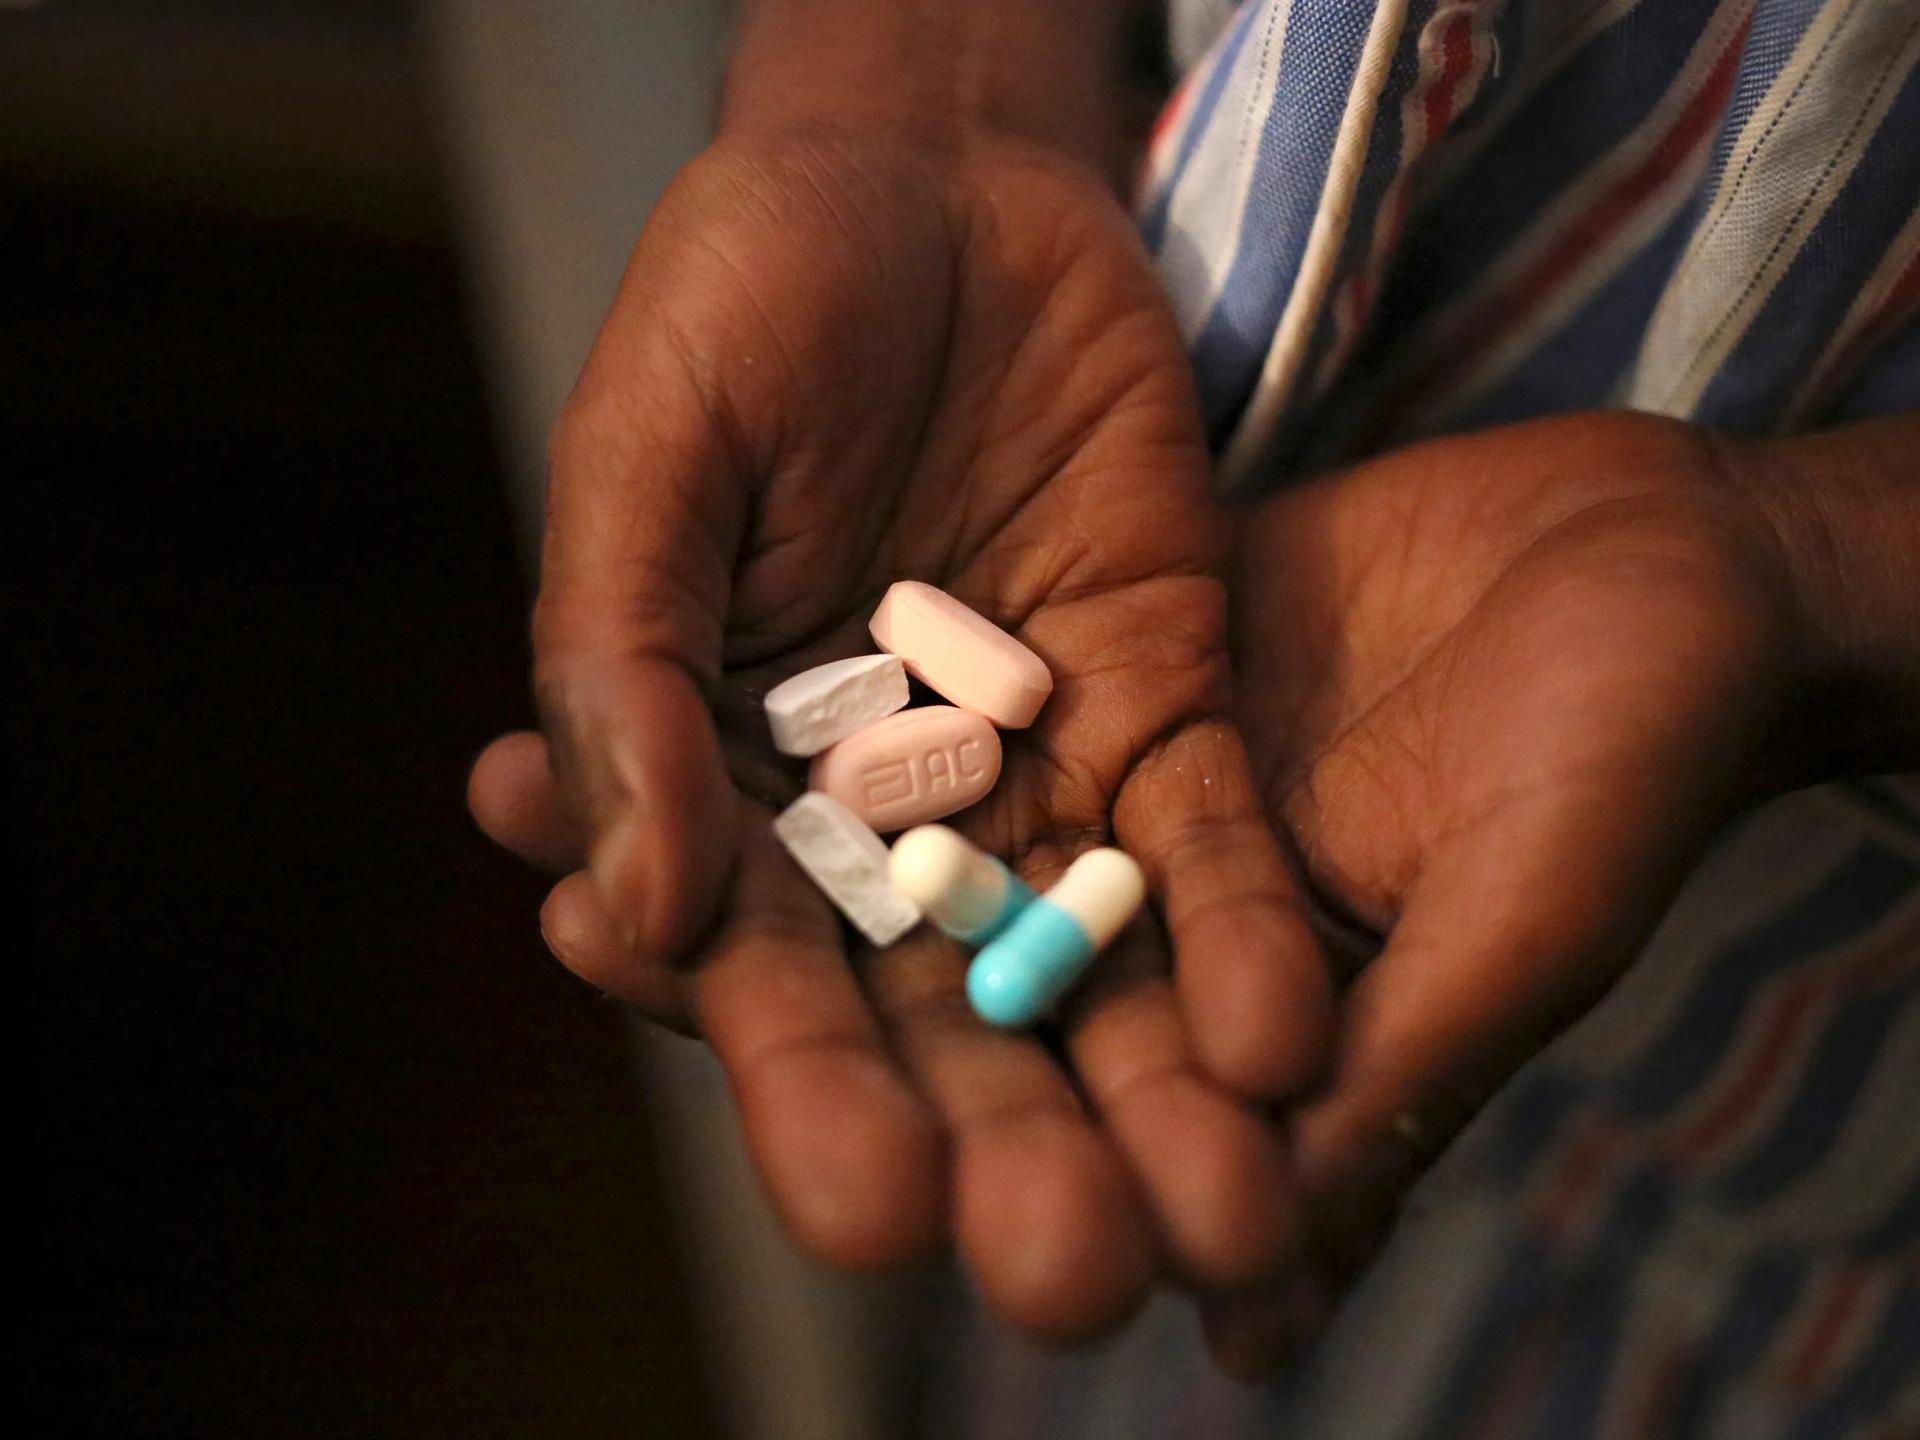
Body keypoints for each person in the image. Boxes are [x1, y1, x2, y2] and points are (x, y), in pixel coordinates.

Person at [467, 0, 1919, 1431]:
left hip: (1818, 1165)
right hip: (1315, 915)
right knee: (1143, 1206)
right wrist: (917, 80)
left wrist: (1824, 563)